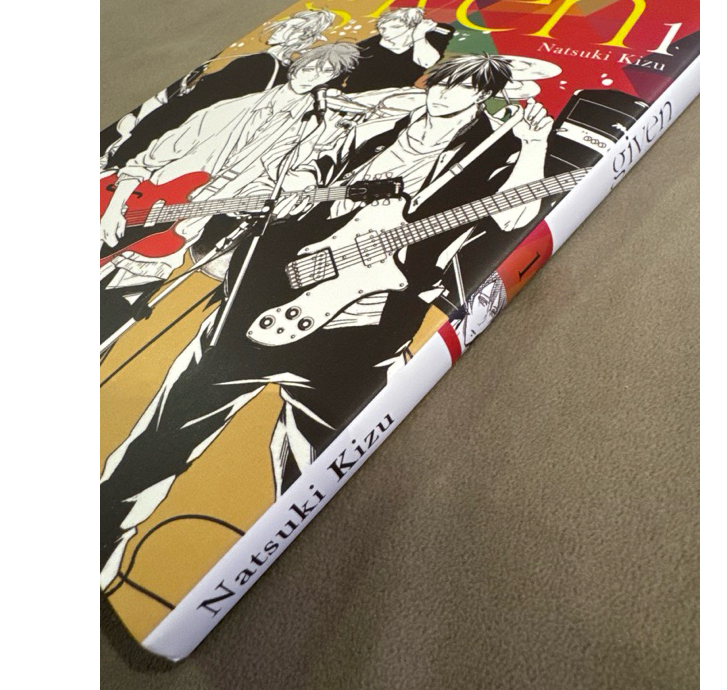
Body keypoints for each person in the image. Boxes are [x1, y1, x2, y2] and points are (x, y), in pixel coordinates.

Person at [100, 53, 556, 588]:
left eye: (461, 89)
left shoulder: (497, 147)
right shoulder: (382, 122)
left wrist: (535, 144)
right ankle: (101, 536)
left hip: (365, 327)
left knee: (326, 465)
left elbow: (513, 216)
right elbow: (315, 166)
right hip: (269, 293)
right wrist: (301, 181)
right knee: (167, 431)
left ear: (483, 95)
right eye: (442, 83)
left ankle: (300, 574)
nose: (444, 94)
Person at [100, 41, 359, 346]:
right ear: (299, 64)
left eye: (324, 72)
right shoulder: (231, 109)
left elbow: (285, 180)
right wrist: (113, 209)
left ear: (329, 81)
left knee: (117, 311)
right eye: (312, 65)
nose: (313, 74)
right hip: (133, 206)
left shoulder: (309, 131)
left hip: (179, 232)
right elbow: (147, 160)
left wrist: (290, 195)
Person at [101, 9, 336, 172]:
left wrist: (182, 95)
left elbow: (208, 96)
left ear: (301, 37)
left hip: (182, 120)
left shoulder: (261, 63)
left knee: (124, 161)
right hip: (208, 136)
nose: (278, 28)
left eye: (288, 27)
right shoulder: (285, 74)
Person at [329, 7, 453, 94]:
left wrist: (419, 35)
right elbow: (336, 76)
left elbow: (426, 62)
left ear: (413, 27)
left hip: (398, 97)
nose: (386, 32)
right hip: (357, 95)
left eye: (395, 27)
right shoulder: (364, 47)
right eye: (382, 28)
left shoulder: (428, 37)